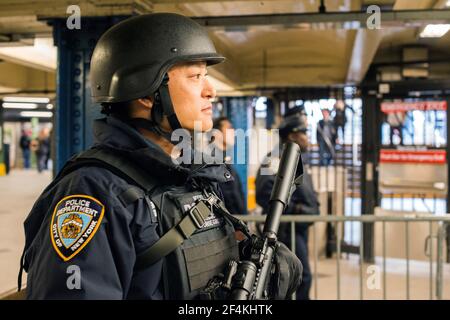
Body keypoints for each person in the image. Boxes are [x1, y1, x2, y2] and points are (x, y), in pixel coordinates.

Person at [19, 13, 301, 300]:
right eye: (195, 77)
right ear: (147, 94)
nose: (211, 91)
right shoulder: (93, 193)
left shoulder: (194, 179)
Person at [256, 114, 320, 300]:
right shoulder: (275, 158)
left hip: (298, 227)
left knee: (300, 276)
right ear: (292, 136)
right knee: (300, 278)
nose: (307, 138)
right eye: (304, 133)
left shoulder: (294, 157)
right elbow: (264, 192)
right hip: (286, 229)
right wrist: (296, 209)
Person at [211, 117, 247, 216]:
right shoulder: (213, 162)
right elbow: (227, 197)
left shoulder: (224, 160)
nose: (233, 132)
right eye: (229, 128)